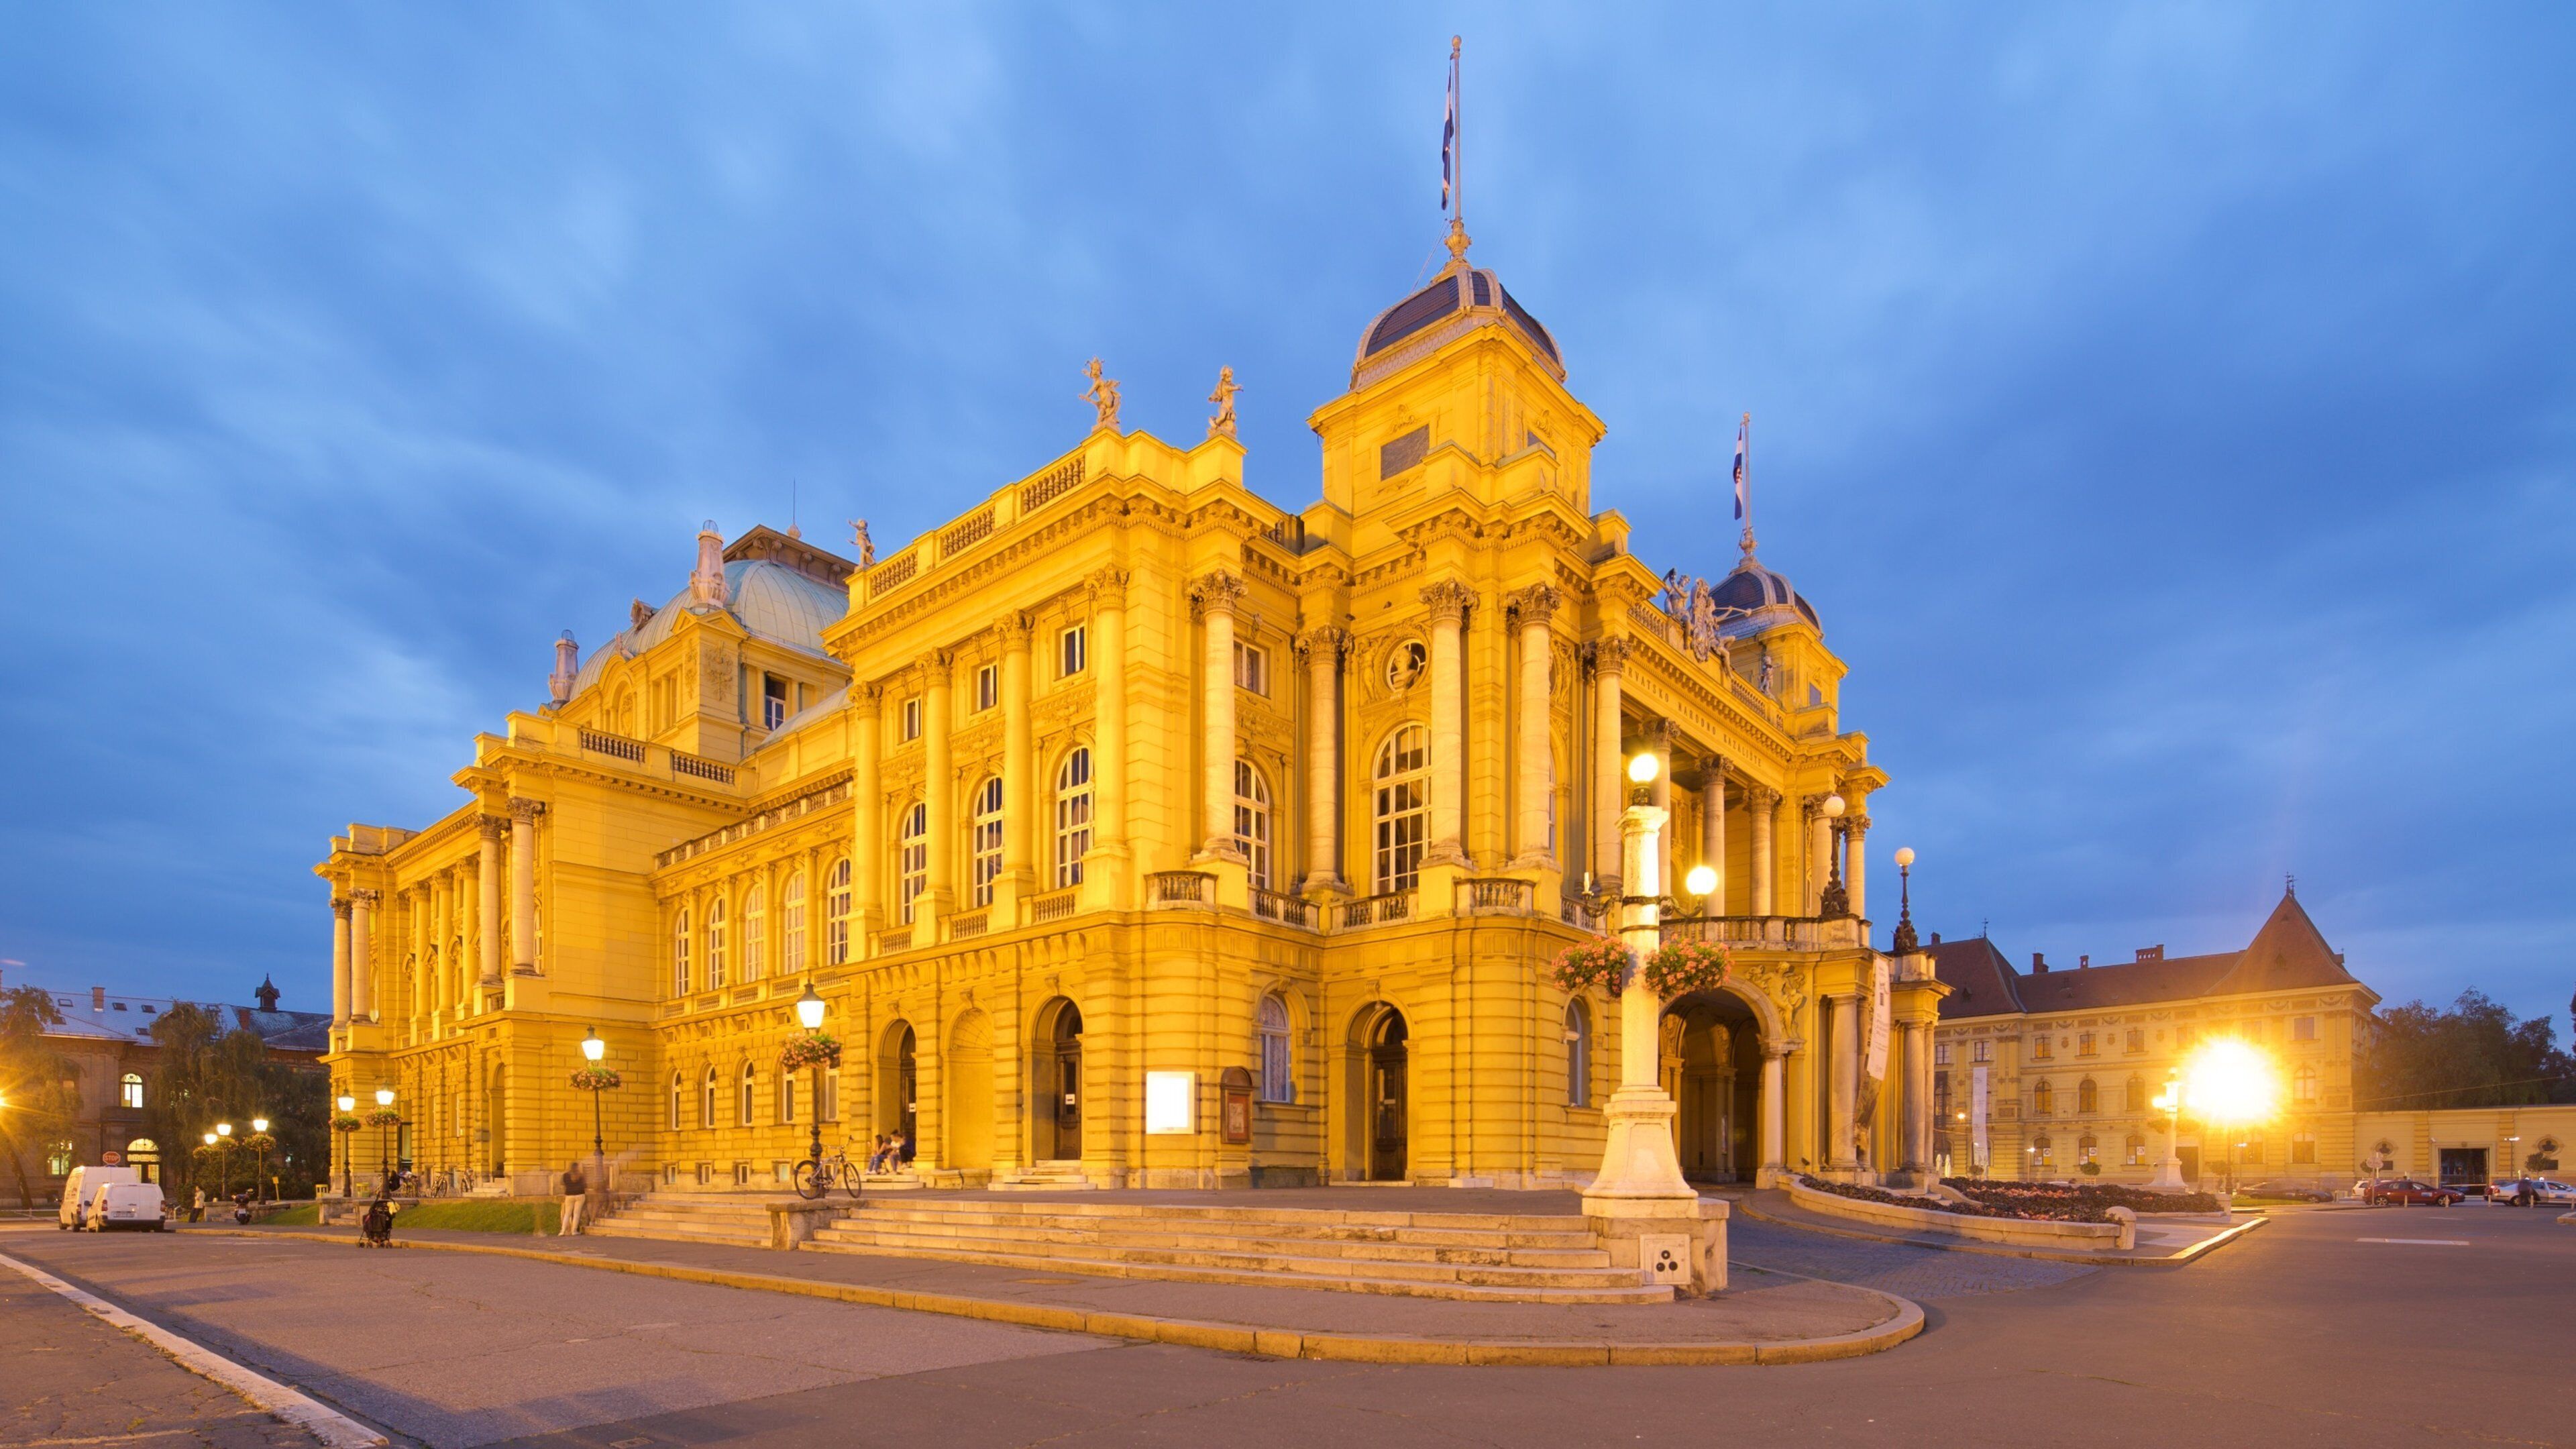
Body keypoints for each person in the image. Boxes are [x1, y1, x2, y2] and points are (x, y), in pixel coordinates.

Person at [559, 1159, 588, 1235]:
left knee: (567, 1214)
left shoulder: (565, 1175)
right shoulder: (581, 1176)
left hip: (569, 1195)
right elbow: (585, 1186)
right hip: (580, 1195)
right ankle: (574, 1231)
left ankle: (563, 1231)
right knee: (576, 1214)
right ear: (577, 1168)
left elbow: (563, 1185)